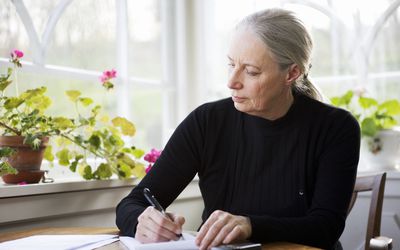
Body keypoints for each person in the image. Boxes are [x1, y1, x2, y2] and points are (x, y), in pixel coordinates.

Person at [116, 8, 360, 250]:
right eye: (231, 64)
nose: (232, 81)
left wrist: (250, 226)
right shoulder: (207, 122)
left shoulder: (336, 128)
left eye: (251, 71)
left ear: (292, 73)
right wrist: (143, 221)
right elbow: (134, 202)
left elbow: (325, 228)